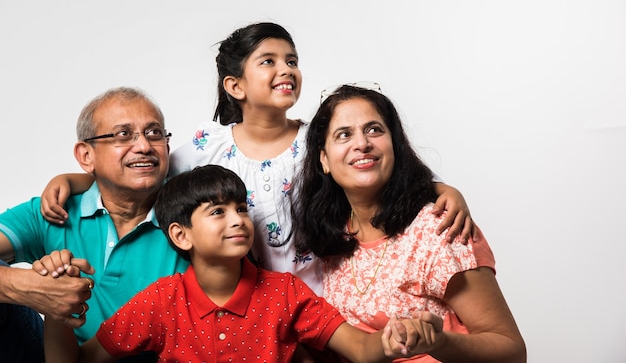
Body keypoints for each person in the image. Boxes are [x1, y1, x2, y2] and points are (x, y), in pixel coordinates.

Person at [40, 22, 476, 297]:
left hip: (325, 296)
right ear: (235, 86)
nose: (285, 69)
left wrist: (442, 189)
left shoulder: (318, 142)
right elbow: (143, 172)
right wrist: (74, 179)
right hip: (245, 300)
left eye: (292, 60)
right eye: (268, 61)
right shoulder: (204, 147)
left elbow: (378, 173)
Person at [42, 164, 443, 363]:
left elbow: (358, 347)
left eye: (240, 209)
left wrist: (391, 342)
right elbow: (84, 361)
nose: (237, 219)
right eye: (217, 212)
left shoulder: (284, 292)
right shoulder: (162, 301)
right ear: (181, 235)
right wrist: (56, 302)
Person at [291, 84, 527, 362]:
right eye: (344, 135)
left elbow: (511, 351)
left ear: (395, 146)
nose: (362, 143)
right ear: (324, 160)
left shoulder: (439, 229)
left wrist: (439, 343)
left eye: (374, 129)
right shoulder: (331, 238)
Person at [0, 87, 190, 362]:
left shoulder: (195, 214)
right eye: (123, 135)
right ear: (86, 156)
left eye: (154, 133)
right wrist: (25, 287)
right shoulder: (54, 210)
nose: (144, 146)